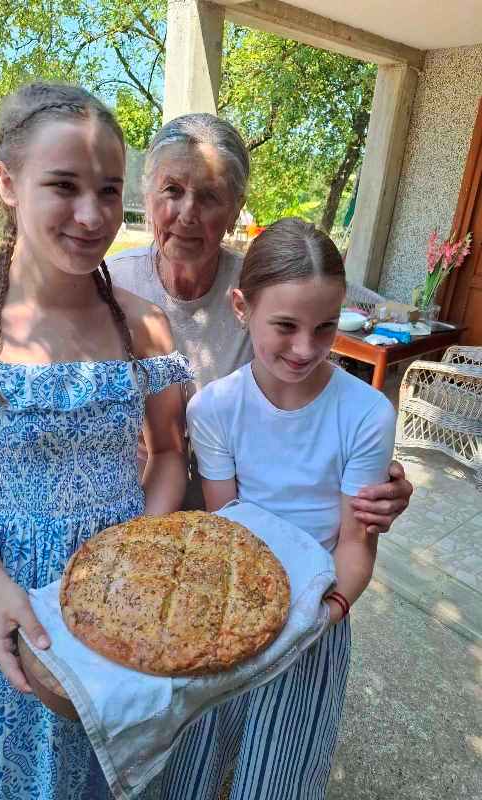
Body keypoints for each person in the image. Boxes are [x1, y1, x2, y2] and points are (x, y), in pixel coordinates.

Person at [0, 113, 412, 531]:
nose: (188, 213)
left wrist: (372, 477)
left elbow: (318, 404)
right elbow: (1, 315)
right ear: (147, 194)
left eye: (210, 196)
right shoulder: (103, 281)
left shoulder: (265, 294)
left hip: (242, 520)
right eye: (172, 190)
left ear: (236, 209)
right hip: (127, 518)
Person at [0, 81, 191, 799]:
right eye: (63, 185)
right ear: (6, 182)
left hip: (118, 591)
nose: (92, 214)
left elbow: (169, 454)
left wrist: (132, 561)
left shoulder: (147, 328)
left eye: (109, 190)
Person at [171, 217, 397, 800]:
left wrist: (326, 613)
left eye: (325, 328)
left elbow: (355, 542)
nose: (305, 349)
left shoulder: (367, 414)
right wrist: (246, 617)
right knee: (198, 754)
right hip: (233, 599)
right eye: (286, 326)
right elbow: (229, 526)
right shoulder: (214, 409)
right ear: (242, 308)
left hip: (320, 604)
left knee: (279, 771)